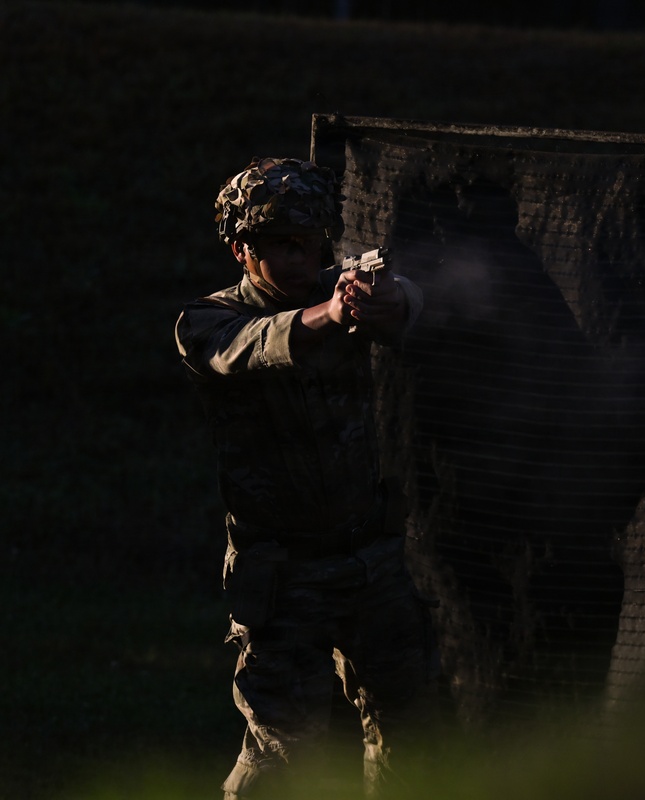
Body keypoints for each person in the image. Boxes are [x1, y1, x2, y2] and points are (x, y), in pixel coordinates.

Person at [175, 157, 437, 799]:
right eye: (281, 245)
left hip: (371, 561)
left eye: (310, 242)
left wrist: (395, 299)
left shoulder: (338, 287)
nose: (300, 258)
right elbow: (256, 344)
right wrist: (331, 313)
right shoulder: (206, 321)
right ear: (241, 249)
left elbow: (412, 303)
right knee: (283, 756)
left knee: (412, 740)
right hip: (284, 576)